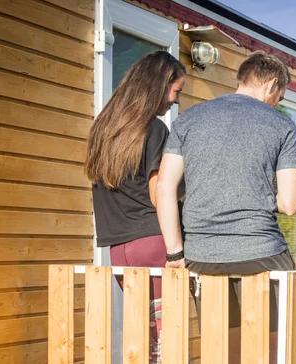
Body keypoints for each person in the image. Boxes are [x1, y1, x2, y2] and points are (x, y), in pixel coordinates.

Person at [156, 50, 296, 363]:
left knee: (223, 349)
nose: (279, 103)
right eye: (281, 96)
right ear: (271, 84)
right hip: (261, 253)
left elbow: (165, 187)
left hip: (202, 257)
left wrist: (175, 253)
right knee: (274, 349)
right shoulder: (283, 126)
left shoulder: (188, 119)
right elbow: (290, 204)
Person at [85, 50, 187, 364]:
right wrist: (176, 251)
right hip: (155, 242)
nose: (175, 100)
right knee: (165, 333)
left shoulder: (103, 130)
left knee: (141, 332)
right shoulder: (154, 130)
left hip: (119, 248)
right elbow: (160, 194)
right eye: (176, 91)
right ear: (159, 84)